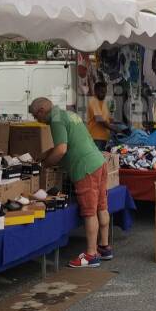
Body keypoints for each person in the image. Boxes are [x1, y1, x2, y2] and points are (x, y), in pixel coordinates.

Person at [29, 97, 110, 268]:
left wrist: (45, 164)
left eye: (36, 116)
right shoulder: (68, 114)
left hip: (85, 168)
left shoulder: (55, 120)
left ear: (42, 110)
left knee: (89, 212)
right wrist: (44, 154)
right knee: (101, 206)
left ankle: (91, 254)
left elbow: (61, 150)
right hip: (98, 162)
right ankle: (104, 246)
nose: (38, 121)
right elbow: (65, 143)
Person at [86, 81, 113, 150]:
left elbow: (108, 119)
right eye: (102, 92)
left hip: (103, 138)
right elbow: (99, 119)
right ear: (95, 91)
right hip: (96, 138)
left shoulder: (103, 102)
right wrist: (114, 129)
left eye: (105, 92)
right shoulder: (93, 101)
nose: (104, 94)